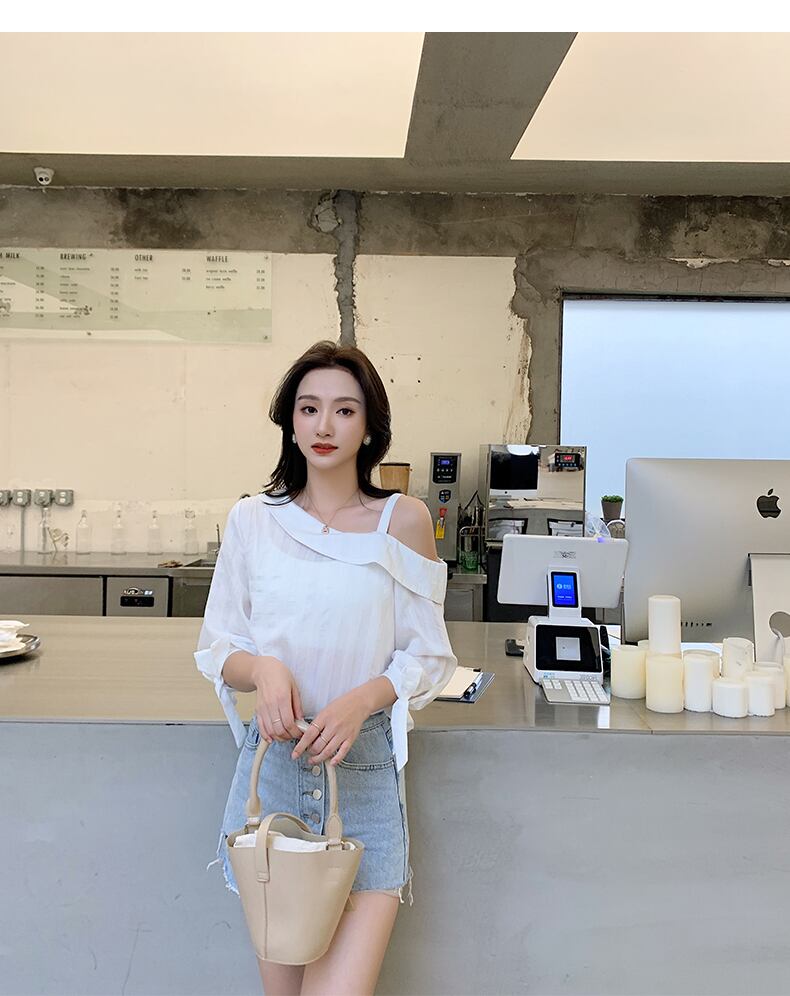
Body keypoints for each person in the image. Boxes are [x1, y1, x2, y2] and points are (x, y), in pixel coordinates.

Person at [194, 339, 458, 995]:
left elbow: (429, 654)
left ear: (369, 427)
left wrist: (364, 698)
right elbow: (219, 647)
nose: (324, 425)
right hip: (273, 777)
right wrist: (265, 671)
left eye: (344, 410)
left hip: (361, 776)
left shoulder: (403, 520)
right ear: (291, 422)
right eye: (309, 408)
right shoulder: (253, 520)